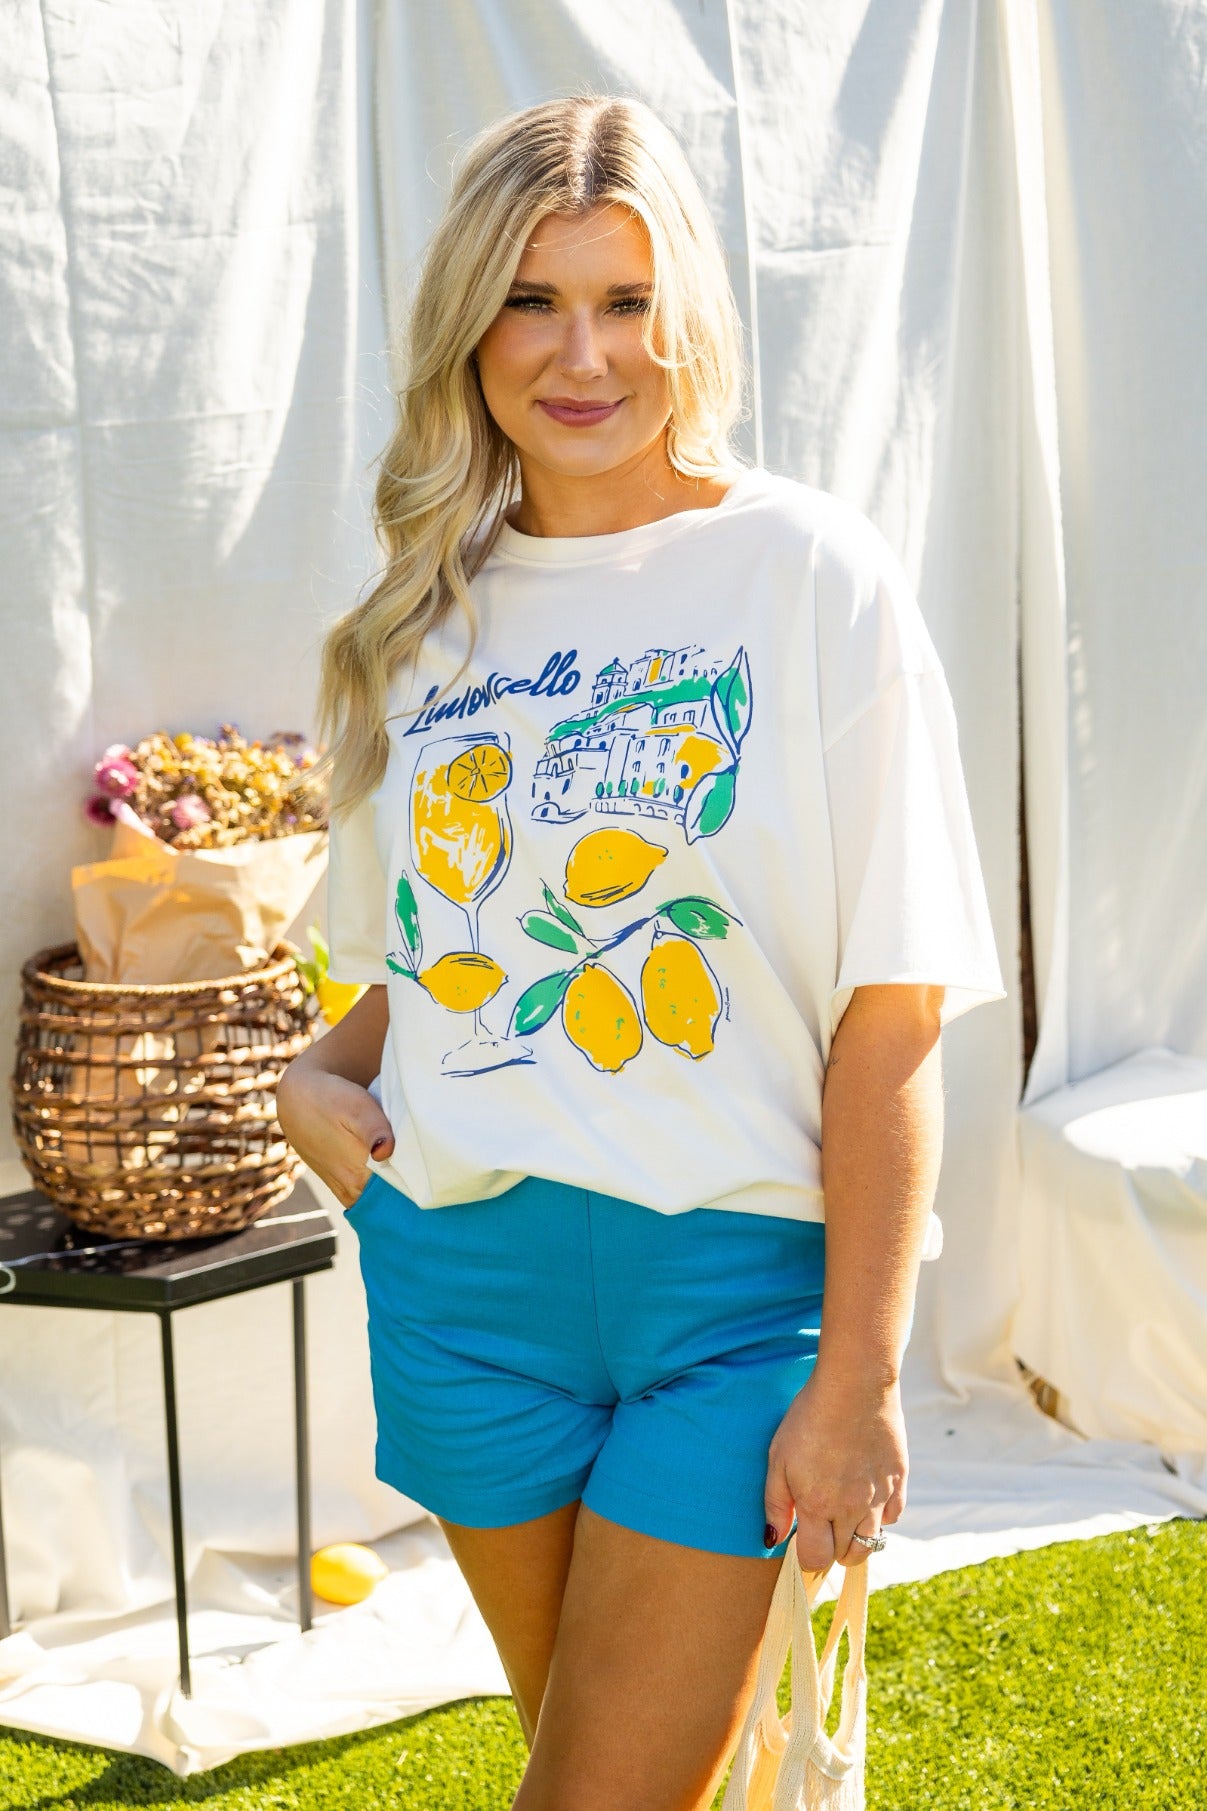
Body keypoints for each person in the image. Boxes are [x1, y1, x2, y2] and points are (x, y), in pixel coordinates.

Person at [276, 92, 1005, 1811]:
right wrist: (316, 1081)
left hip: (730, 1304)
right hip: (463, 1296)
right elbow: (423, 961)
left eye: (625, 301)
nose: (582, 354)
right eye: (531, 302)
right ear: (468, 330)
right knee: (637, 1782)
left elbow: (892, 1010)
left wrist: (859, 1377)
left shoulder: (811, 576)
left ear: (690, 319)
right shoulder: (413, 626)